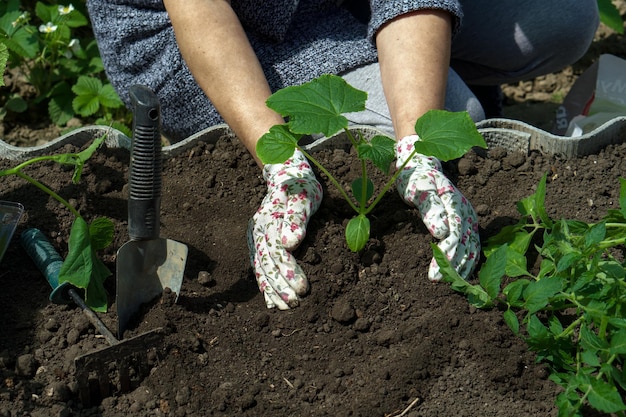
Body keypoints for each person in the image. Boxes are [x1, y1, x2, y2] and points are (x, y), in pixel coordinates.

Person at [86, 0, 599, 310]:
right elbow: (200, 12)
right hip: (196, 36)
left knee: (562, 17)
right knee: (458, 108)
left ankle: (407, 63)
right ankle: (413, 78)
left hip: (324, 6)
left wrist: (416, 150)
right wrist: (281, 161)